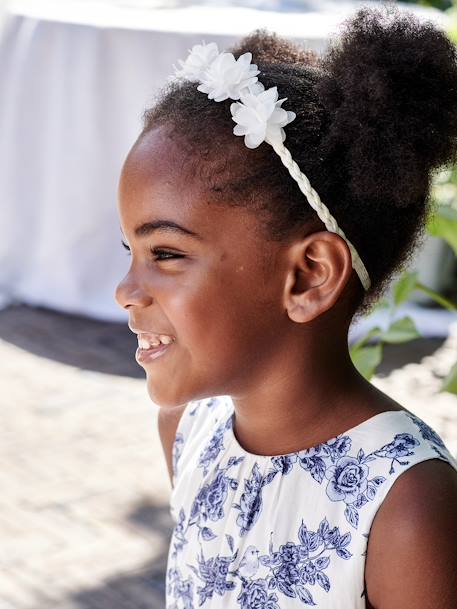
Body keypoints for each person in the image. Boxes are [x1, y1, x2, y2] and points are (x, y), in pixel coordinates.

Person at [114, 4, 457, 608]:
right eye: (131, 250)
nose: (125, 291)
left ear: (309, 276)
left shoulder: (408, 505)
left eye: (165, 253)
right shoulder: (188, 431)